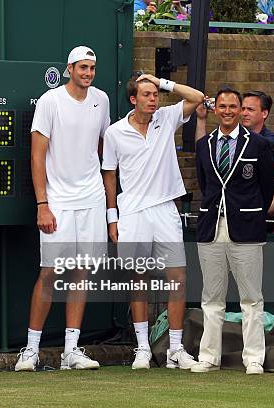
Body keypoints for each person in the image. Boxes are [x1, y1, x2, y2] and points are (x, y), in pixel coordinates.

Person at [15, 46, 111, 371]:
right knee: (50, 273)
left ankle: (71, 351)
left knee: (81, 274)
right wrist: (43, 204)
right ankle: (30, 350)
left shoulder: (102, 100)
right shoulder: (50, 101)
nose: (88, 73)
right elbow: (37, 155)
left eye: (92, 68)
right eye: (83, 67)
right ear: (70, 68)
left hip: (92, 198)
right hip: (57, 200)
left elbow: (102, 147)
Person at [102, 73, 204, 370]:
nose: (154, 98)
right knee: (139, 281)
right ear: (133, 100)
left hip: (165, 211)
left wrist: (162, 82)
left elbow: (197, 97)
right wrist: (112, 217)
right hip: (132, 212)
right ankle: (143, 348)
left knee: (178, 279)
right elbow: (110, 175)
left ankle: (175, 349)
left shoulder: (167, 118)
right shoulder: (115, 133)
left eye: (155, 94)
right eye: (147, 94)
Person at [192, 87, 274, 375]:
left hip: (247, 228)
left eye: (233, 106)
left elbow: (266, 187)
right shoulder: (205, 144)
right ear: (216, 110)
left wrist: (251, 213)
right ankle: (209, 357)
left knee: (251, 298)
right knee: (211, 297)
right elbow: (205, 185)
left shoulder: (259, 144)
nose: (227, 111)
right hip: (211, 227)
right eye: (223, 106)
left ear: (241, 110)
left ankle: (254, 358)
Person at [241, 91, 274, 162]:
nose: (244, 113)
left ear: (264, 113)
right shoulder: (234, 136)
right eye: (243, 109)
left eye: (250, 109)